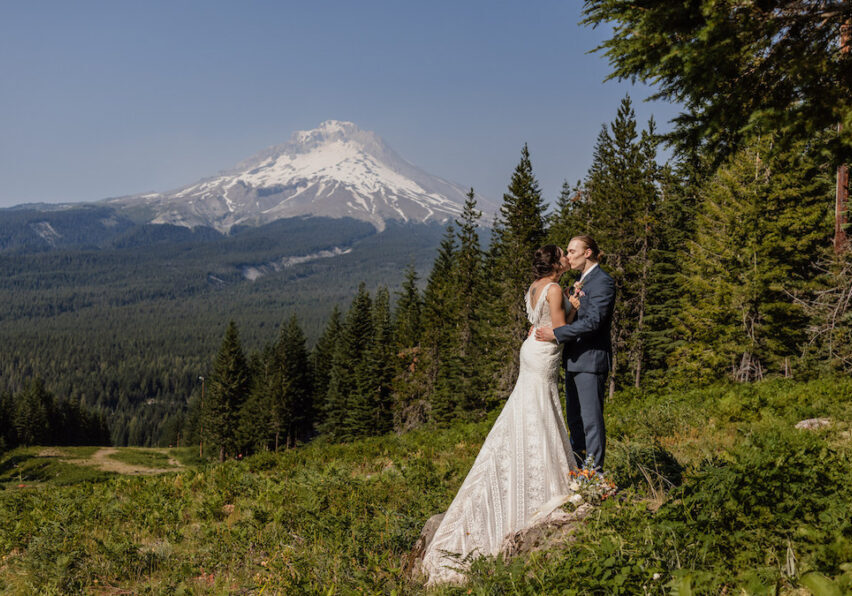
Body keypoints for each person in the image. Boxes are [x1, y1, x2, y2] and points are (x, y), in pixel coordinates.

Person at [420, 245, 581, 586]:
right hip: (544, 353)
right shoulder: (553, 289)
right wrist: (576, 307)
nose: (567, 259)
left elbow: (538, 322)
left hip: (531, 351)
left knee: (530, 407)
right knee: (540, 406)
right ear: (555, 264)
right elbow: (557, 327)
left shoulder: (536, 287)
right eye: (562, 256)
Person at [535, 235, 615, 471]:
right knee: (575, 422)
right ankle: (578, 471)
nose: (568, 257)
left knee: (591, 422)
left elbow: (593, 322)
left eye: (571, 251)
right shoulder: (578, 281)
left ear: (587, 253)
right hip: (572, 360)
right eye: (567, 252)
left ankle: (593, 477)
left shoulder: (603, 282)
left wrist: (557, 334)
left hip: (591, 360)